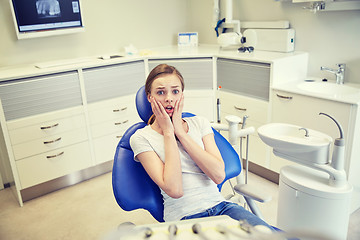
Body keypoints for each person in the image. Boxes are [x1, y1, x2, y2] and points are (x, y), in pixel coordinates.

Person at [130, 64, 273, 229]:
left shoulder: (199, 123)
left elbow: (218, 175)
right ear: (149, 97)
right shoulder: (140, 138)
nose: (169, 98)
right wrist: (169, 132)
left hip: (223, 208)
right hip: (184, 218)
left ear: (182, 95)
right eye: (160, 92)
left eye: (175, 91)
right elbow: (175, 190)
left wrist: (181, 134)